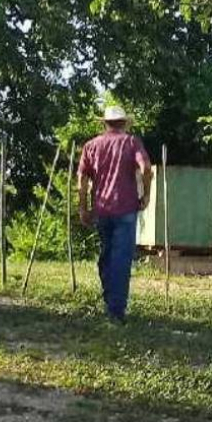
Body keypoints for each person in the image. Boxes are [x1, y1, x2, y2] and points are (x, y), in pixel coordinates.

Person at [77, 105, 153, 323]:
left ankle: (110, 300)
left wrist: (83, 207)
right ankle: (115, 311)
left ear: (104, 123)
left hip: (102, 209)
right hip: (126, 208)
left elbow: (81, 180)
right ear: (125, 123)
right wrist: (146, 195)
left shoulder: (91, 146)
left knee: (107, 255)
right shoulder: (131, 143)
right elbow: (146, 168)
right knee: (121, 259)